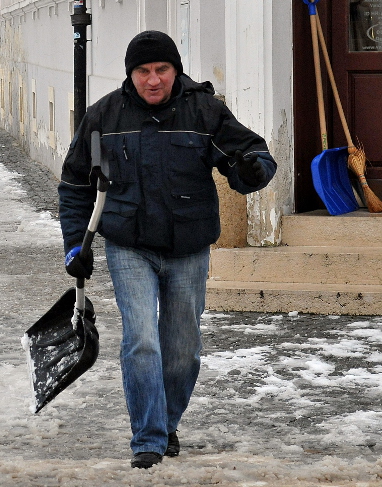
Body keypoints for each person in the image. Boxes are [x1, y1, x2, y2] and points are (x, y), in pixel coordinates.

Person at [58, 30, 276, 469]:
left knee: (182, 349)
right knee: (141, 341)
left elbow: (253, 156)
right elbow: (74, 184)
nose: (153, 79)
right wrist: (74, 247)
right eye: (143, 71)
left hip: (188, 247)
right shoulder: (104, 116)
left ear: (175, 70)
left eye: (162, 70)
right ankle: (149, 437)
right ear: (130, 74)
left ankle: (167, 420)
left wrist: (250, 169)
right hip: (129, 245)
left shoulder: (204, 111)